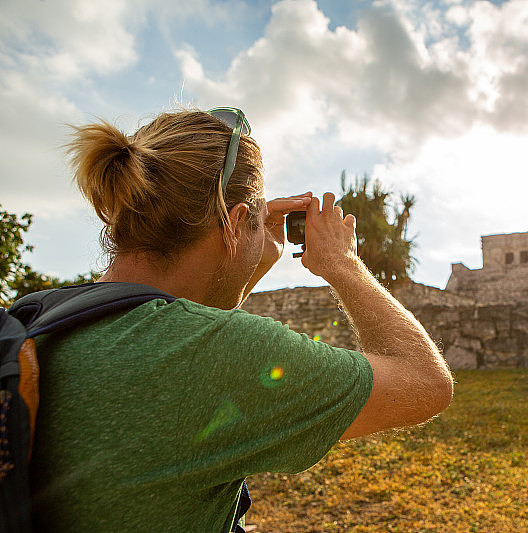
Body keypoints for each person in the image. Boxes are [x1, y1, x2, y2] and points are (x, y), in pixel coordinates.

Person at [30, 107, 453, 532]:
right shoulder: (220, 356)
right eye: (248, 224)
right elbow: (425, 383)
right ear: (234, 223)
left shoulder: (43, 316)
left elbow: (184, 325)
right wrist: (344, 264)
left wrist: (248, 248)